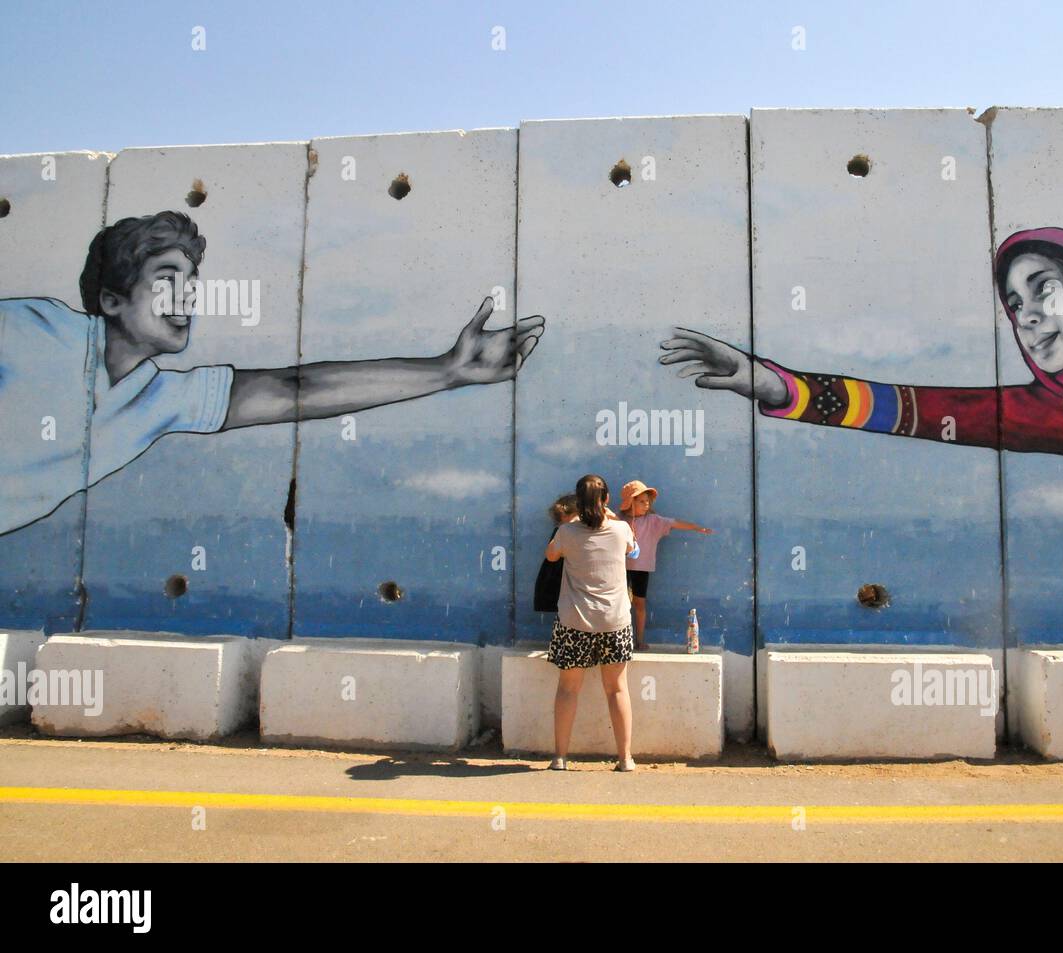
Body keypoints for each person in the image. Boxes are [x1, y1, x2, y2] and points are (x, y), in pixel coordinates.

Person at [659, 227, 1063, 567]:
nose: (1024, 315)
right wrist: (775, 385)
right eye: (1013, 303)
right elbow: (923, 411)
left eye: (1043, 288)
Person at [0, 210, 546, 536]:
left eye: (192, 281)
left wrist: (447, 370)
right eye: (167, 277)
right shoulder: (37, 329)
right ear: (111, 300)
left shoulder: (162, 400)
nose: (187, 294)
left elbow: (293, 390)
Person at [544, 474, 639, 771]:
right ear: (607, 499)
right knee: (617, 689)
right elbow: (634, 551)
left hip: (575, 622)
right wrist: (610, 517)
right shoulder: (621, 529)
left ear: (578, 502)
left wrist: (571, 525)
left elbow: (551, 557)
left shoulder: (566, 532)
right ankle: (625, 759)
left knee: (568, 689)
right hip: (615, 621)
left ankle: (560, 757)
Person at [618, 479, 713, 651]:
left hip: (641, 570)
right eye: (641, 501)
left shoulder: (654, 520)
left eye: (648, 502)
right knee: (620, 605)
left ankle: (639, 640)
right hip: (619, 569)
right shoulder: (619, 520)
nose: (646, 505)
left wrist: (696, 528)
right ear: (630, 502)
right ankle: (620, 641)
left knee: (639, 605)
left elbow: (675, 523)